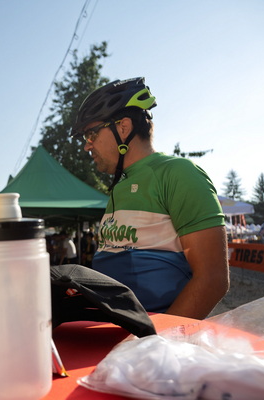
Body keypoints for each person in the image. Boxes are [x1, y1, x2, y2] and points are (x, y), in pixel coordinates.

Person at [70, 77, 229, 320]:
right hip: (116, 329)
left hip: (156, 335)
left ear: (123, 128)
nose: (87, 146)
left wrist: (158, 338)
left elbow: (213, 279)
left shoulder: (179, 173)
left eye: (91, 134)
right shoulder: (119, 186)